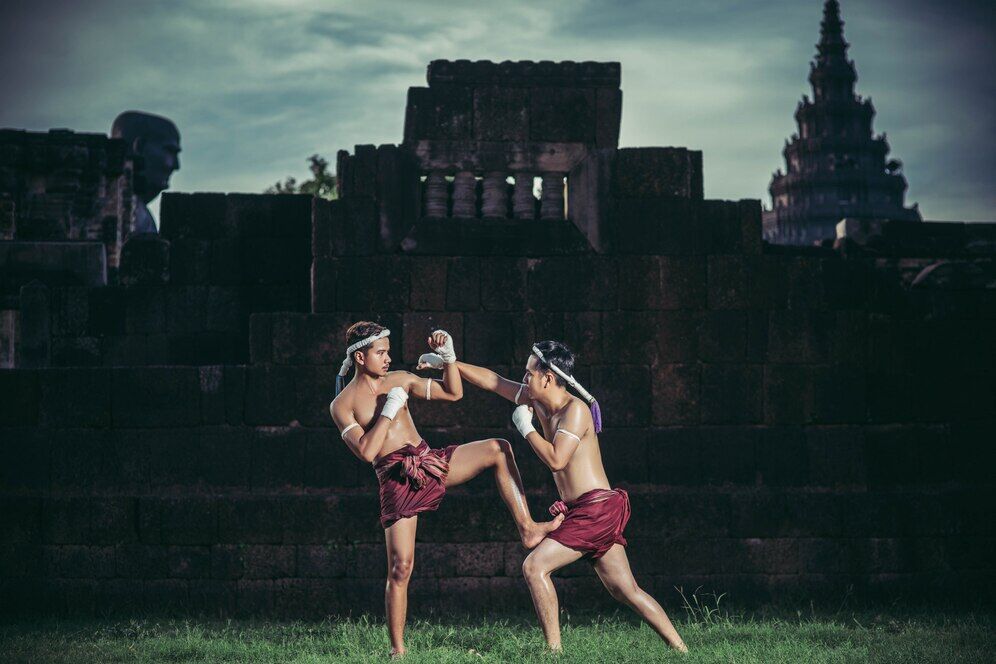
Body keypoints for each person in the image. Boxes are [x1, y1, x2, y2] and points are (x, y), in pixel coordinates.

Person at [328, 321, 563, 658]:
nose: (388, 358)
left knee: (498, 449)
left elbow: (454, 393)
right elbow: (366, 452)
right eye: (381, 352)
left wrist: (449, 358)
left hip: (429, 462)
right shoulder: (342, 404)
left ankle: (528, 527)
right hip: (396, 478)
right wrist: (391, 409)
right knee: (400, 567)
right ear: (361, 357)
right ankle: (398, 650)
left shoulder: (399, 380)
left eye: (388, 352)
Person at [448, 340, 688, 653]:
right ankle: (681, 650)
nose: (525, 379)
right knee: (625, 589)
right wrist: (450, 362)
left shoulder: (574, 411)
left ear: (547, 377)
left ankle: (553, 652)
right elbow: (493, 381)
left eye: (529, 374)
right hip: (582, 510)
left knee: (534, 567)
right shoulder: (535, 398)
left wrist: (525, 428)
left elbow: (557, 460)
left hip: (597, 510)